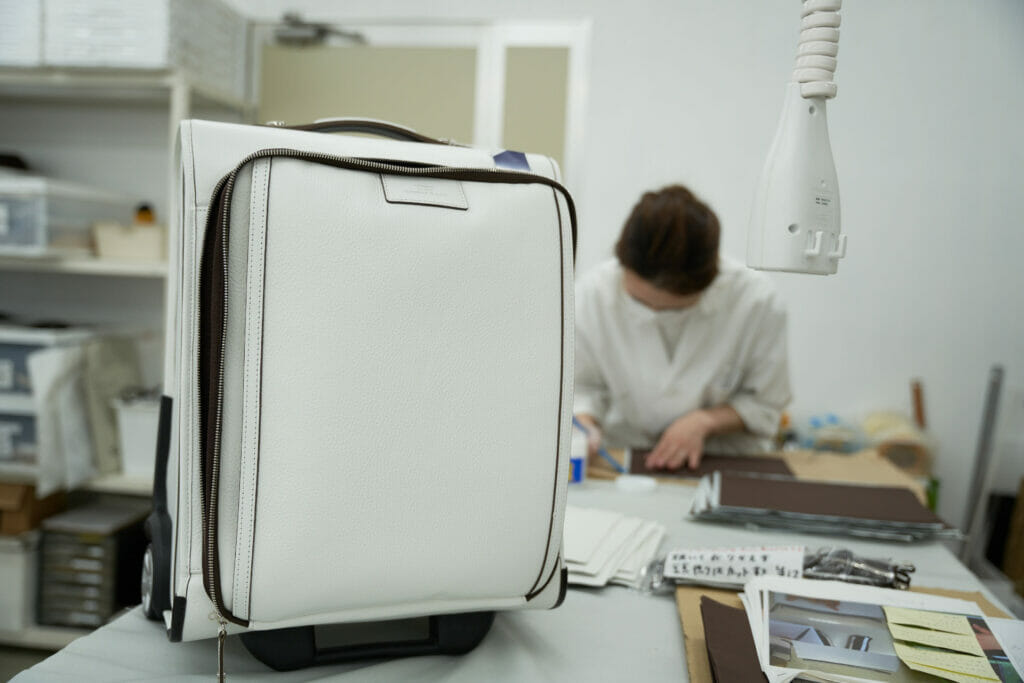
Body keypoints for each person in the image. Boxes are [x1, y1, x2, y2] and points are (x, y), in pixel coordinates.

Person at [573, 184, 791, 470]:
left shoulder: (756, 302)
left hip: (722, 458)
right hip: (627, 452)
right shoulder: (592, 296)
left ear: (708, 282)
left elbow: (766, 403)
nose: (656, 314)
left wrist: (705, 421)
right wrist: (585, 425)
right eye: (640, 304)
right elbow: (582, 387)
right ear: (622, 264)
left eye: (673, 310)